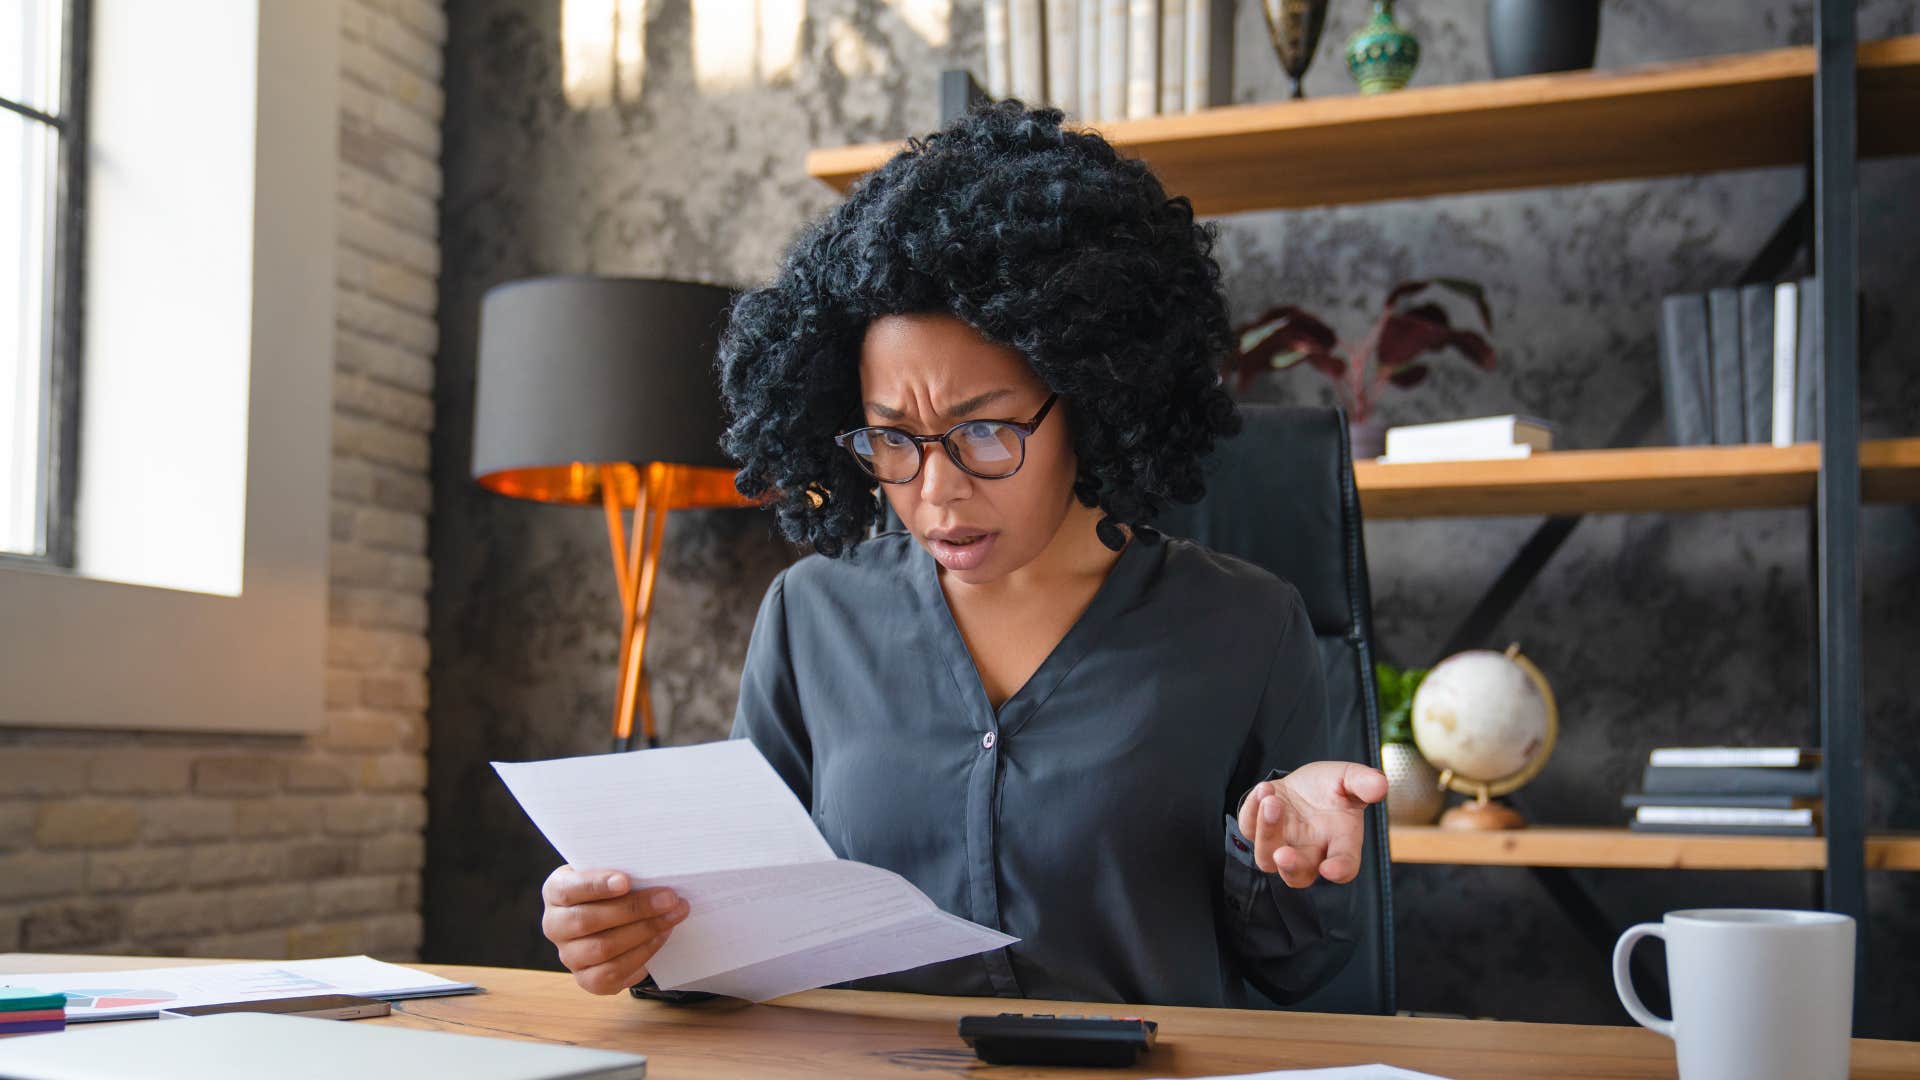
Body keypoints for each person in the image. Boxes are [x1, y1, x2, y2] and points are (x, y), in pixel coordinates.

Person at [539, 101, 1387, 1009]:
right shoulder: (812, 619)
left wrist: (1293, 862)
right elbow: (739, 940)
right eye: (891, 438)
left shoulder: (1246, 627)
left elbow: (1298, 973)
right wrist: (636, 939)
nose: (934, 491)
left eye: (983, 431)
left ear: (1093, 402)